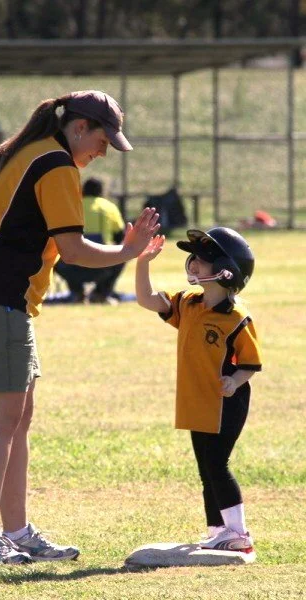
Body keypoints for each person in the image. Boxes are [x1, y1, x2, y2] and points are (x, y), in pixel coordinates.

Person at [0, 90, 160, 566]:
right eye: (103, 140)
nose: (103, 152)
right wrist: (130, 251)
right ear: (79, 127)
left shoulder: (32, 151)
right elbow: (74, 249)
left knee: (17, 421)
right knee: (1, 422)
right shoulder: (56, 163)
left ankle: (17, 531)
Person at [135, 227, 262, 553]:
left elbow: (249, 363)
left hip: (224, 403)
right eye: (193, 257)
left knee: (218, 465)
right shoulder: (188, 303)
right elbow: (147, 299)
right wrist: (143, 262)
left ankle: (240, 534)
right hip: (196, 402)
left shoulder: (236, 318)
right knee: (206, 470)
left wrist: (235, 381)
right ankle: (219, 530)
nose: (193, 263)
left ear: (225, 270)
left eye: (202, 259)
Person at [54, 176, 126, 304]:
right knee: (124, 254)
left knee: (55, 256)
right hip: (102, 264)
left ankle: (77, 292)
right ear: (101, 191)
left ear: (82, 191)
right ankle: (101, 293)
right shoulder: (109, 207)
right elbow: (120, 236)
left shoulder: (73, 205)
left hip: (72, 265)